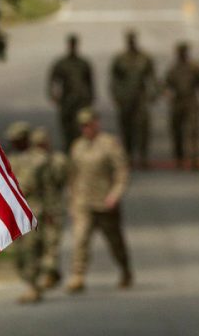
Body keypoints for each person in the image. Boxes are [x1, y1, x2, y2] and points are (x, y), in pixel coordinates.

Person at [65, 109, 132, 293]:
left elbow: (122, 172)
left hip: (105, 203)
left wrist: (115, 194)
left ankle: (125, 269)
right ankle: (77, 276)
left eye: (89, 124)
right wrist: (72, 200)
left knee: (115, 242)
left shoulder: (109, 144)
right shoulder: (77, 146)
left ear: (96, 123)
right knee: (80, 239)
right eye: (83, 125)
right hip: (83, 202)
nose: (86, 129)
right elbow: (72, 175)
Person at [5, 121, 51, 303]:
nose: (14, 144)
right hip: (17, 213)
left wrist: (51, 212)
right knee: (20, 254)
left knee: (32, 250)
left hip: (35, 209)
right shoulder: (11, 161)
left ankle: (33, 286)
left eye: (17, 140)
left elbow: (48, 188)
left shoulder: (40, 159)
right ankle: (31, 281)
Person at [110, 29, 158, 169]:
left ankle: (143, 156)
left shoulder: (144, 58)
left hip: (140, 98)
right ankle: (128, 156)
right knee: (126, 128)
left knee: (143, 128)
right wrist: (116, 96)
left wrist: (153, 93)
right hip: (125, 99)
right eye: (129, 40)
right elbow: (114, 79)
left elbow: (152, 76)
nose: (131, 42)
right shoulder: (120, 59)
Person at [164, 42, 199, 170]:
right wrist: (167, 94)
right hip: (178, 101)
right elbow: (166, 84)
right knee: (176, 131)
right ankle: (179, 158)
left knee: (194, 131)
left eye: (183, 52)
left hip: (191, 101)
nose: (181, 54)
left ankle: (194, 159)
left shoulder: (196, 68)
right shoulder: (173, 68)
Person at [29, 126, 68, 289]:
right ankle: (50, 273)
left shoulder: (56, 160)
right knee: (42, 243)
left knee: (51, 242)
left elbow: (62, 179)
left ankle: (48, 274)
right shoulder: (32, 160)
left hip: (52, 207)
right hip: (40, 208)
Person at [48, 34, 96, 149]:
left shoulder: (83, 63)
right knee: (67, 130)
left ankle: (81, 153)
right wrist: (54, 95)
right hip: (67, 102)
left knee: (82, 129)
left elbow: (90, 82)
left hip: (81, 102)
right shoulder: (62, 64)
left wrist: (90, 98)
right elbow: (53, 80)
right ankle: (69, 152)